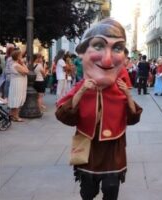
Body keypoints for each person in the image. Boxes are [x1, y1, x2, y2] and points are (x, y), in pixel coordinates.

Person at [55, 18, 142, 200]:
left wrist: (128, 95)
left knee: (111, 189)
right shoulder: (81, 87)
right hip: (89, 149)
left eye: (117, 48)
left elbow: (133, 118)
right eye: (98, 46)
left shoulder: (120, 89)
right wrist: (82, 91)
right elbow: (65, 116)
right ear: (82, 53)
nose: (108, 59)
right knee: (88, 191)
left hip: (113, 150)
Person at [8, 49, 29, 122]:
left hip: (18, 83)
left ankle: (12, 115)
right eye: (20, 55)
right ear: (17, 57)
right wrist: (23, 63)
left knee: (15, 98)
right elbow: (27, 71)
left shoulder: (14, 64)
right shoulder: (16, 65)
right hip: (18, 84)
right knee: (17, 98)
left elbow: (24, 72)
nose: (21, 56)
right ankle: (16, 116)